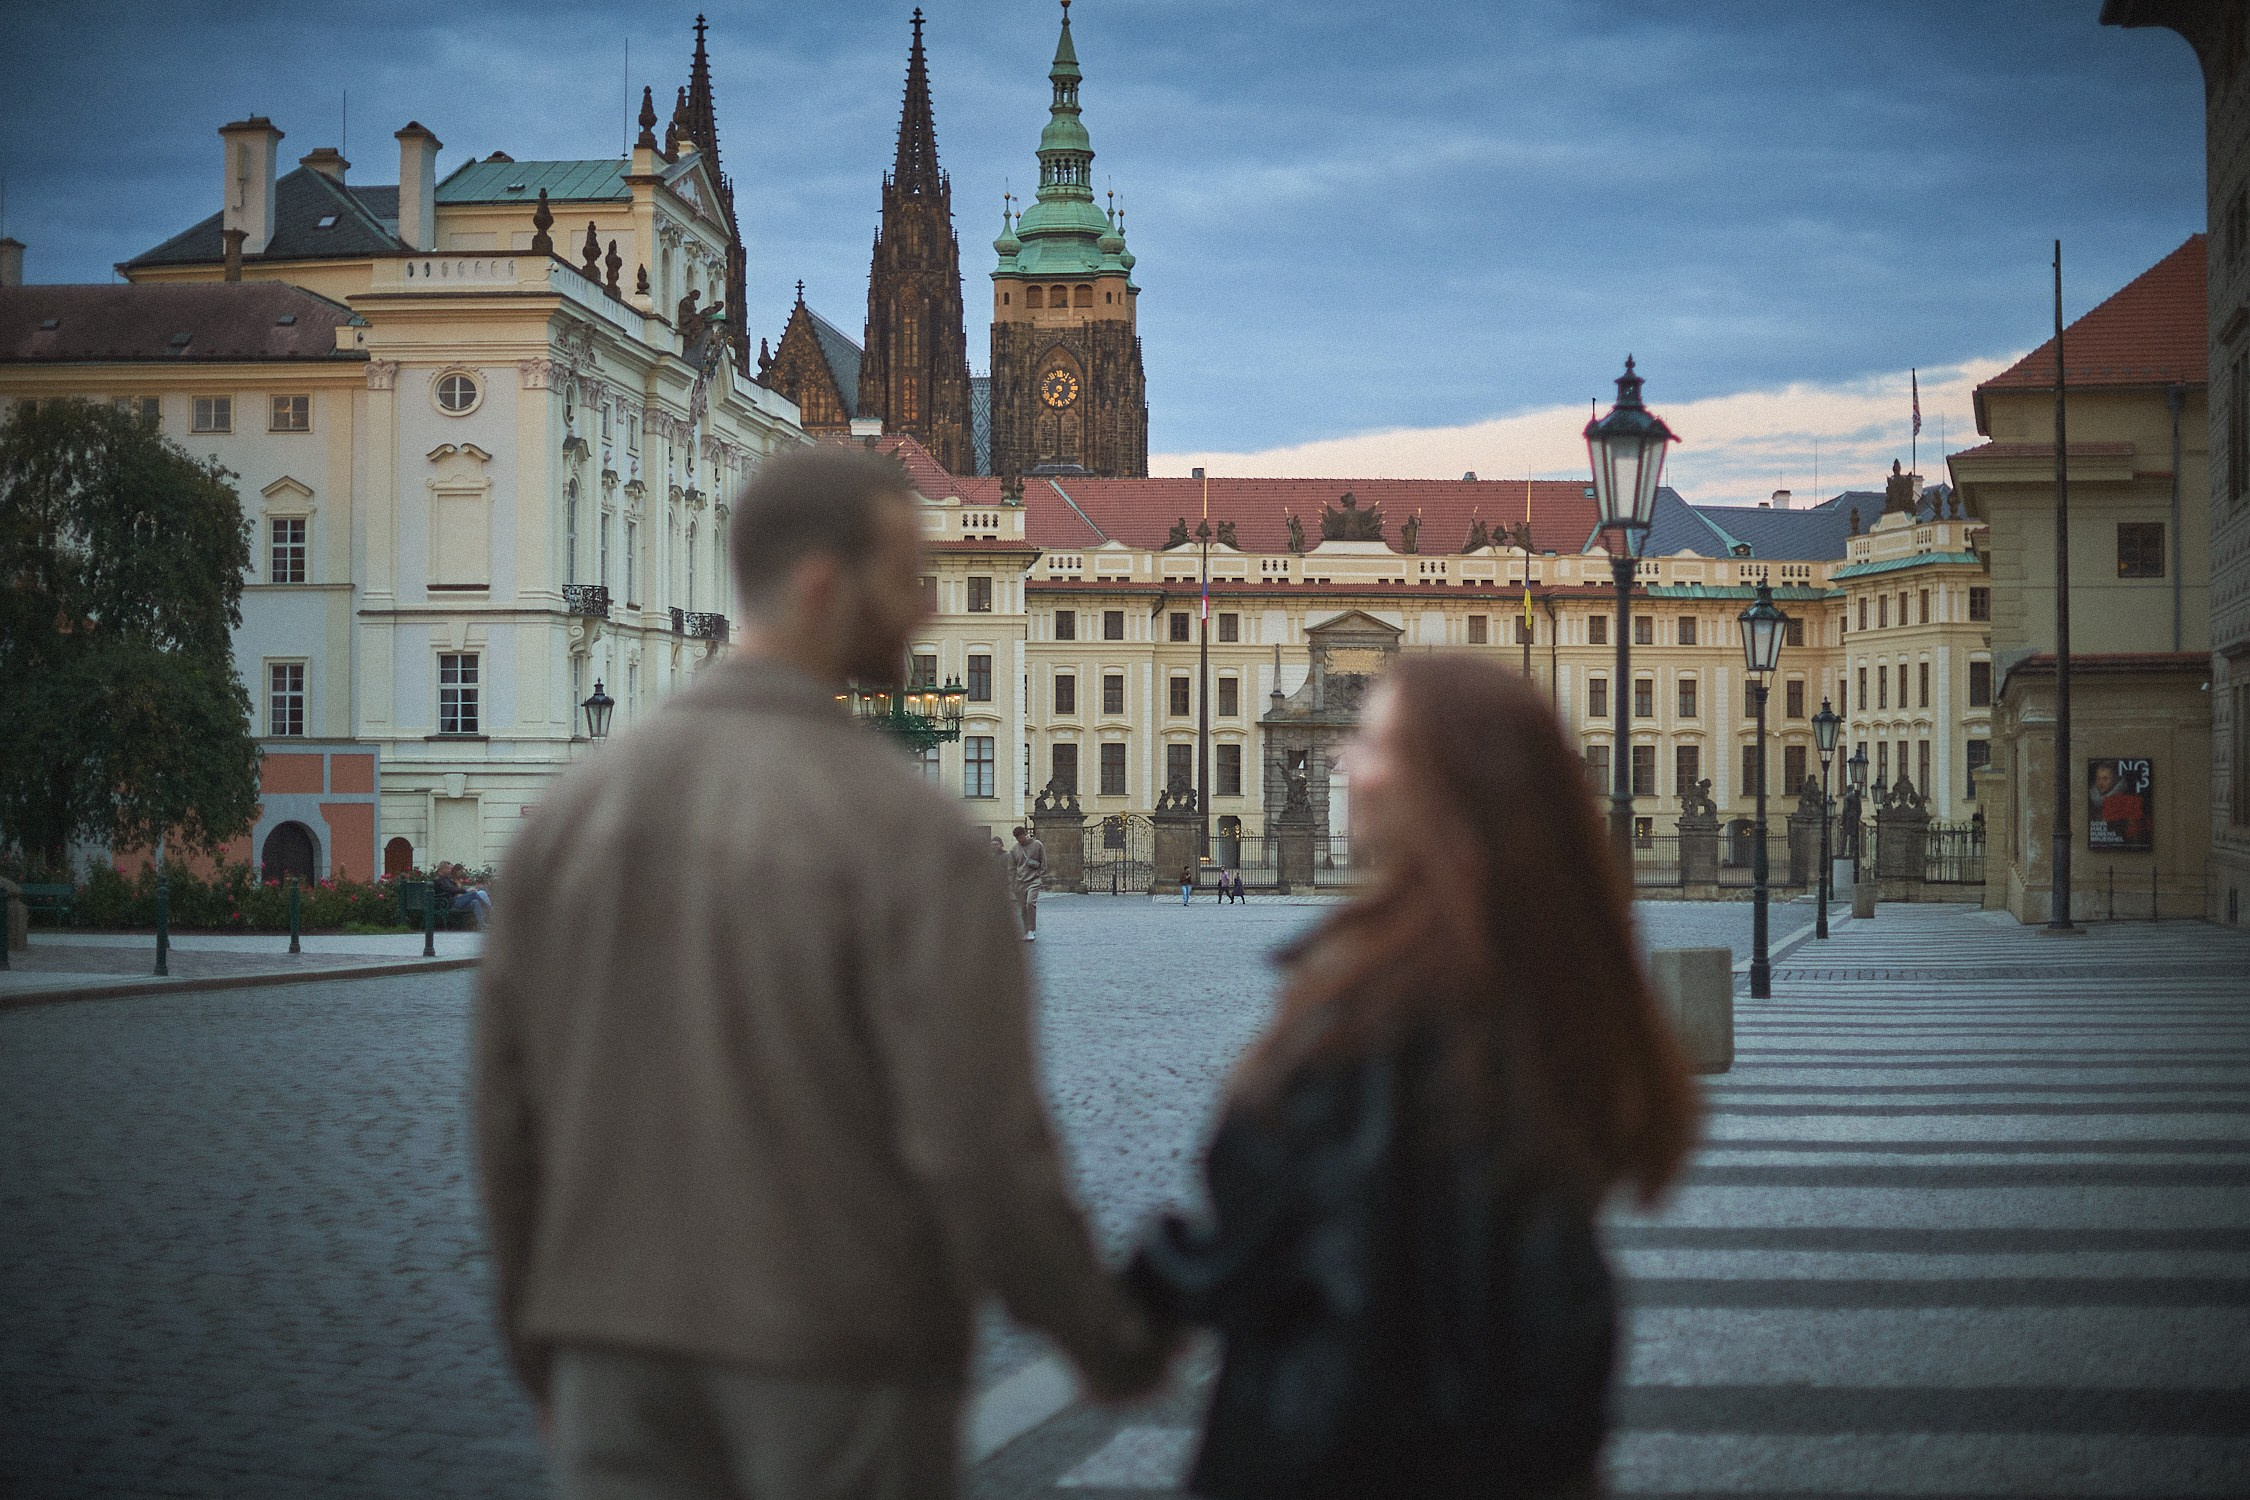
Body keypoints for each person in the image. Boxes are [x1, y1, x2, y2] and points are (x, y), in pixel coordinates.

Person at [474, 445, 1168, 1500]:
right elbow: (979, 1145)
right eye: (905, 579)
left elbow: (506, 1123)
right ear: (819, 586)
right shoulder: (913, 834)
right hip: (839, 1360)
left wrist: (543, 1340)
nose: (926, 611)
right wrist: (1102, 1339)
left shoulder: (567, 819)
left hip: (614, 1360)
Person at [1129, 656, 1699, 1500]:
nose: (1339, 761)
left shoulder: (1414, 1003)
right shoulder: (1519, 974)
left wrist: (1153, 1287)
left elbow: (1327, 1246)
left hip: (1349, 1454)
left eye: (1369, 741)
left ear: (1443, 782)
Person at [1008, 825, 1047, 941]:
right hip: (1020, 882)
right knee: (1023, 908)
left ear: (1025, 834)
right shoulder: (1014, 849)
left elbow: (1044, 862)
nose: (1020, 840)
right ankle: (1027, 930)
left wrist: (1040, 874)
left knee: (1030, 903)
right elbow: (1011, 867)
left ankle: (1032, 930)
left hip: (1034, 880)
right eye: (1017, 838)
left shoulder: (1037, 845)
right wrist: (1013, 882)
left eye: (1021, 837)